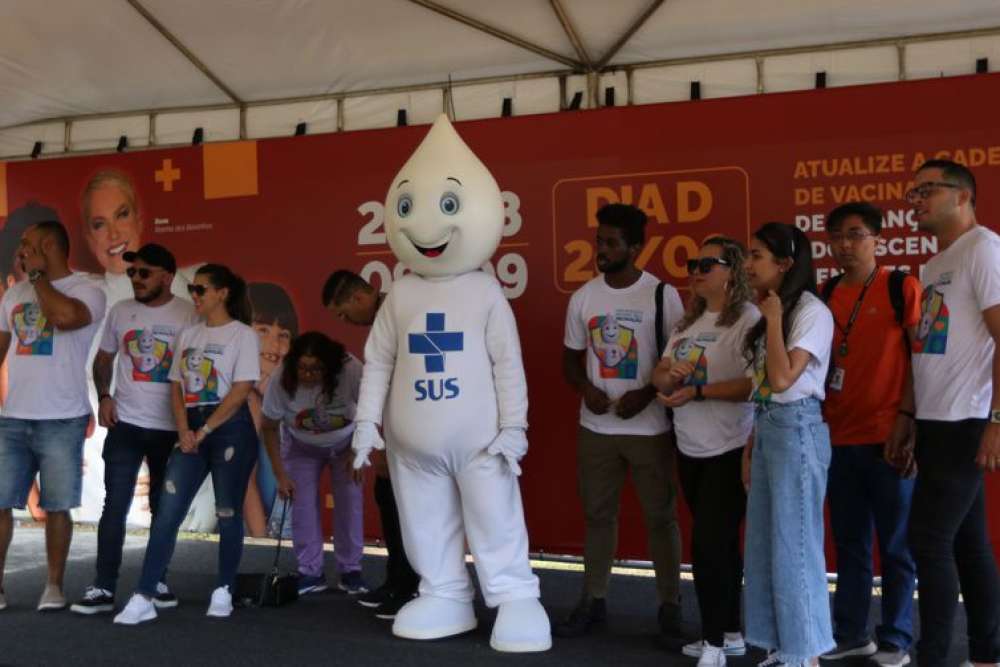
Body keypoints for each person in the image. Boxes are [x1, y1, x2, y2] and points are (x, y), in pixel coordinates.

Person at [350, 115, 550, 652]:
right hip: (410, 449)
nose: (422, 226)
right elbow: (379, 362)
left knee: (493, 517)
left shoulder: (485, 293)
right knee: (423, 524)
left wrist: (515, 427)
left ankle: (513, 596)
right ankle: (443, 591)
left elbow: (508, 365)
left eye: (446, 206)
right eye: (408, 208)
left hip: (481, 443)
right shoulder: (400, 294)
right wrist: (367, 423)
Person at [557, 202, 686, 645]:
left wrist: (647, 394)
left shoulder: (661, 294)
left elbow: (678, 360)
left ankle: (670, 605)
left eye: (612, 243)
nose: (603, 250)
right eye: (600, 241)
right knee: (597, 516)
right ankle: (593, 599)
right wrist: (585, 390)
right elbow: (570, 360)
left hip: (649, 429)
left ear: (636, 246)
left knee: (660, 519)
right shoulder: (585, 297)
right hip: (597, 430)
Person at [113, 264, 260, 624]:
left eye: (201, 290)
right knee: (167, 512)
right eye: (192, 290)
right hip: (191, 427)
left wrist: (204, 431)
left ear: (223, 293)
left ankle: (223, 588)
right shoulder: (189, 334)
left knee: (228, 512)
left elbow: (241, 391)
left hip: (229, 429)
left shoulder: (242, 335)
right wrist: (183, 431)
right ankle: (144, 593)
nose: (194, 296)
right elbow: (176, 385)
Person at [903, 160, 1000, 667]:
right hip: (935, 421)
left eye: (925, 190)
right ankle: (987, 653)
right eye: (912, 191)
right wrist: (910, 417)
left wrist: (997, 422)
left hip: (968, 420)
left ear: (961, 196)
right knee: (968, 543)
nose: (914, 199)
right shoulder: (937, 263)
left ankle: (934, 658)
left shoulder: (983, 248)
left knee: (929, 540)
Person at [817, 202, 920, 667]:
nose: (844, 245)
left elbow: (924, 360)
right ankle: (853, 633)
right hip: (837, 437)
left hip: (889, 436)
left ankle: (897, 636)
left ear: (877, 237)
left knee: (897, 545)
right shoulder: (823, 294)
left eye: (855, 234)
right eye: (836, 236)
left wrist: (909, 420)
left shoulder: (901, 287)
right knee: (850, 543)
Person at [70, 244, 197, 615]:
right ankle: (103, 587)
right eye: (132, 273)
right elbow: (104, 358)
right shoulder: (120, 311)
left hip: (170, 428)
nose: (136, 279)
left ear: (167, 277)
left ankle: (156, 581)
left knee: (164, 507)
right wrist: (105, 396)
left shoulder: (189, 317)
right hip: (125, 424)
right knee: (115, 507)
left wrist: (189, 424)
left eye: (144, 273)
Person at [652, 236, 758, 666]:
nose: (695, 270)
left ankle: (713, 642)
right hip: (690, 447)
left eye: (706, 263)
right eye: (693, 263)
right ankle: (730, 632)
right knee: (720, 547)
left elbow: (755, 384)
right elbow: (659, 375)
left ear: (732, 270)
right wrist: (668, 381)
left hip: (729, 448)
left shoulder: (748, 319)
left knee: (710, 547)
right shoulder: (686, 322)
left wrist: (697, 392)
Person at [0, 220, 106, 611]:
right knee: (0, 502)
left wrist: (40, 277)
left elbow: (65, 318)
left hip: (62, 418)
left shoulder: (88, 289)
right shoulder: (14, 293)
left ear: (49, 245)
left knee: (58, 505)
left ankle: (54, 586)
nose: (20, 250)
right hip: (13, 417)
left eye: (28, 244)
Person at [742, 221, 835, 667]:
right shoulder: (767, 313)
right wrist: (750, 443)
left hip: (797, 429)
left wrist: (775, 320)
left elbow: (782, 379)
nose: (748, 264)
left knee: (794, 544)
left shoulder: (810, 312)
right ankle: (779, 645)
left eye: (757, 255)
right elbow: (764, 388)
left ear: (785, 264)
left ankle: (805, 655)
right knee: (764, 544)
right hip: (768, 427)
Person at [323, 269, 420, 617]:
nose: (345, 322)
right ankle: (397, 580)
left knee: (407, 510)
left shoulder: (400, 312)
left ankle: (412, 586)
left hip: (416, 428)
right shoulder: (384, 318)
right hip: (390, 429)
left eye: (344, 313)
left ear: (361, 297)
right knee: (387, 500)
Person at [261, 331, 366, 595]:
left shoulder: (351, 369)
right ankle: (310, 572)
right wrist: (279, 473)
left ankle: (350, 570)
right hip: (300, 446)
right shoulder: (282, 378)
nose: (307, 375)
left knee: (350, 503)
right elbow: (270, 427)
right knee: (303, 506)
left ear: (330, 367)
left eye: (316, 369)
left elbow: (371, 410)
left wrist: (359, 450)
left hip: (347, 445)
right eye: (303, 368)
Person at [243, 282, 300, 538]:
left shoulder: (289, 396)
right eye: (262, 330)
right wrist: (261, 544)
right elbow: (245, 482)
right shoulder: (244, 398)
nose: (274, 345)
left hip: (284, 527)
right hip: (255, 533)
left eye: (283, 335)